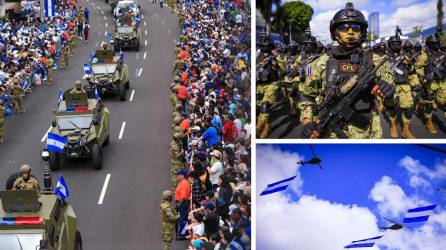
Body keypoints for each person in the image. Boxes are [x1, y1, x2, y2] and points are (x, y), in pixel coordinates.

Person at [299, 2, 395, 139]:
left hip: (367, 133)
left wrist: (390, 95)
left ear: (362, 32)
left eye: (355, 28)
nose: (350, 32)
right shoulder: (319, 63)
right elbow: (306, 95)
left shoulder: (378, 61)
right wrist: (307, 122)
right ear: (335, 32)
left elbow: (391, 104)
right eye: (344, 27)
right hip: (327, 130)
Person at [175, 169, 191, 239]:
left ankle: (183, 234)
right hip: (183, 202)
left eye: (178, 175)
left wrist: (179, 205)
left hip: (183, 203)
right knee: (182, 218)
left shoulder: (184, 183)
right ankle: (183, 233)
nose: (177, 177)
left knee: (182, 219)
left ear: (182, 175)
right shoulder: (183, 182)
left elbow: (183, 197)